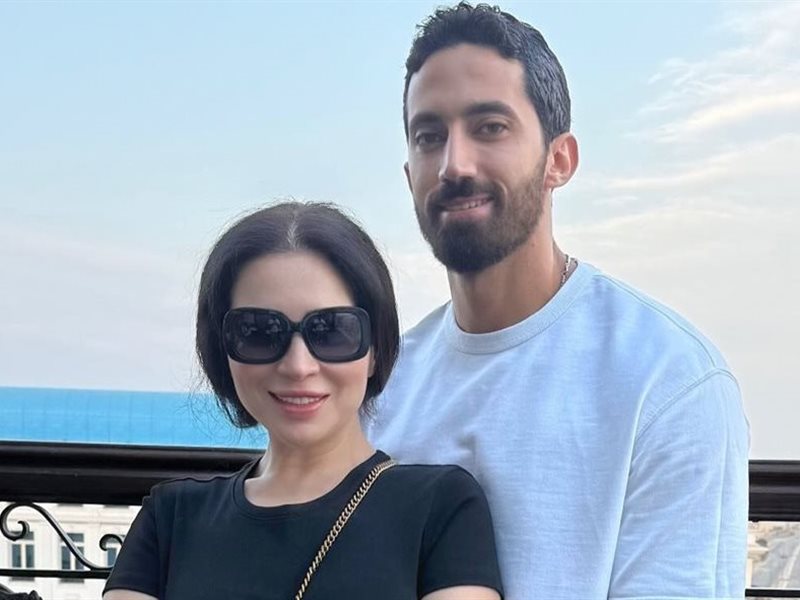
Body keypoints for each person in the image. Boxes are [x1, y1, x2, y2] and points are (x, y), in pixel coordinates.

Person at [368, 3, 750, 599]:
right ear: (408, 172)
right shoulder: (384, 386)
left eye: (490, 127)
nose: (454, 164)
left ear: (560, 160)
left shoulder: (666, 380)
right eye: (429, 136)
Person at [103, 202, 503, 600]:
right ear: (223, 351)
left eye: (331, 331)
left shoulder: (441, 508)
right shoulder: (171, 518)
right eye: (260, 332)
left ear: (375, 349)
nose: (298, 366)